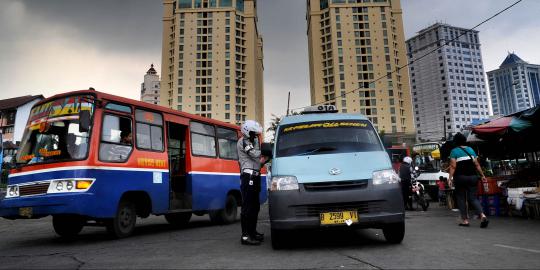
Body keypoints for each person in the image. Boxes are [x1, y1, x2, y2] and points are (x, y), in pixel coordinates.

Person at [448, 132, 489, 228]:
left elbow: (453, 166)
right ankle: (482, 215)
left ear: (456, 142)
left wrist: (450, 178)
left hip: (460, 178)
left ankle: (465, 220)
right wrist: (482, 175)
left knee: (461, 198)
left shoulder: (454, 151)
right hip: (473, 177)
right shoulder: (471, 150)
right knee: (473, 198)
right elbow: (477, 164)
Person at [237, 120, 267, 245]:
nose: (256, 135)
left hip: (255, 176)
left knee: (255, 206)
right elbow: (254, 154)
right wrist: (267, 150)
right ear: (247, 131)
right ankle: (245, 236)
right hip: (248, 176)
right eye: (254, 133)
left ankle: (252, 232)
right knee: (247, 207)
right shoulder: (243, 141)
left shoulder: (251, 142)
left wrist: (266, 159)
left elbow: (258, 162)